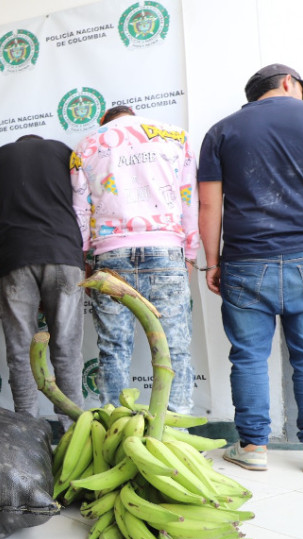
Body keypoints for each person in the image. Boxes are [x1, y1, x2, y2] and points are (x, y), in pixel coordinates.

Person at [198, 63, 303, 471]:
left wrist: (212, 261)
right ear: (288, 83)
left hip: (245, 260)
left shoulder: (222, 131)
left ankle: (253, 448)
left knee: (247, 357)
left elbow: (209, 205)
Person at [71, 105, 198, 415]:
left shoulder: (87, 145)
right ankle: (176, 431)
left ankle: (114, 427)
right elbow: (188, 199)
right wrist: (190, 253)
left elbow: (80, 210)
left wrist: (87, 259)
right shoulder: (175, 137)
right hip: (165, 248)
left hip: (110, 253)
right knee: (175, 347)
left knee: (113, 348)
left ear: (104, 122)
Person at [0, 135, 85, 426]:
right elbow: (80, 203)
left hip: (16, 255)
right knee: (66, 347)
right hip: (64, 252)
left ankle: (27, 431)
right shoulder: (63, 152)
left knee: (21, 348)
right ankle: (74, 431)